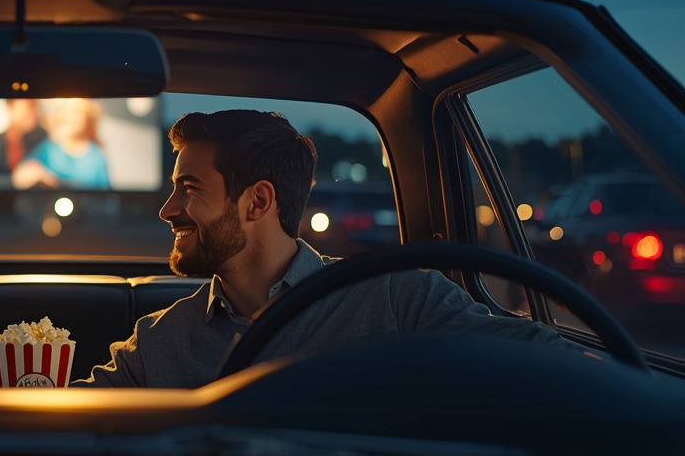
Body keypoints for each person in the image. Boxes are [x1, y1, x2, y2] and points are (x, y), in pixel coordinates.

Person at [74, 110, 582, 388]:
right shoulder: (161, 342)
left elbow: (550, 365)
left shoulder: (399, 299)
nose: (167, 208)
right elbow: (70, 424)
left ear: (259, 202)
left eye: (190, 188)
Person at [25, 97, 111, 190]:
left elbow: (105, 198)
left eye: (75, 112)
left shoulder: (97, 158)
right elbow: (20, 177)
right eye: (66, 111)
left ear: (87, 118)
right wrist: (43, 176)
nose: (69, 117)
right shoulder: (49, 147)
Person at [0, 98, 52, 190]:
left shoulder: (38, 139)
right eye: (30, 106)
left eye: (36, 107)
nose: (35, 112)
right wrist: (15, 181)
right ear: (10, 108)